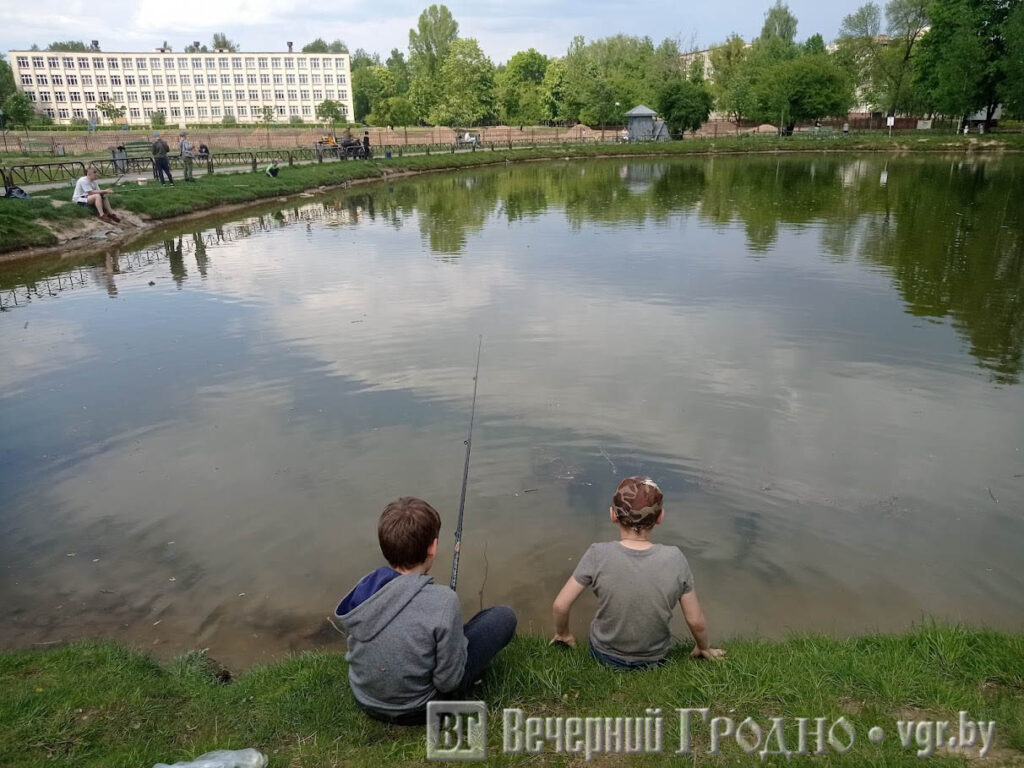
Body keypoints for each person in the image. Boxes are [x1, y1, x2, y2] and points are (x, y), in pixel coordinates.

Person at [335, 497, 517, 725]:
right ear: (433, 547)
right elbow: (447, 682)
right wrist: (457, 643)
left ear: (385, 547)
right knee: (502, 617)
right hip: (419, 710)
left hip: (365, 699)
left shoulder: (367, 587)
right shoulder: (444, 601)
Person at [551, 476, 724, 669]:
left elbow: (560, 605)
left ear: (612, 515)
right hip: (655, 658)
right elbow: (695, 620)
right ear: (660, 517)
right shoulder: (675, 558)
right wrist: (704, 647)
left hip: (604, 654)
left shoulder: (597, 554)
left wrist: (563, 633)